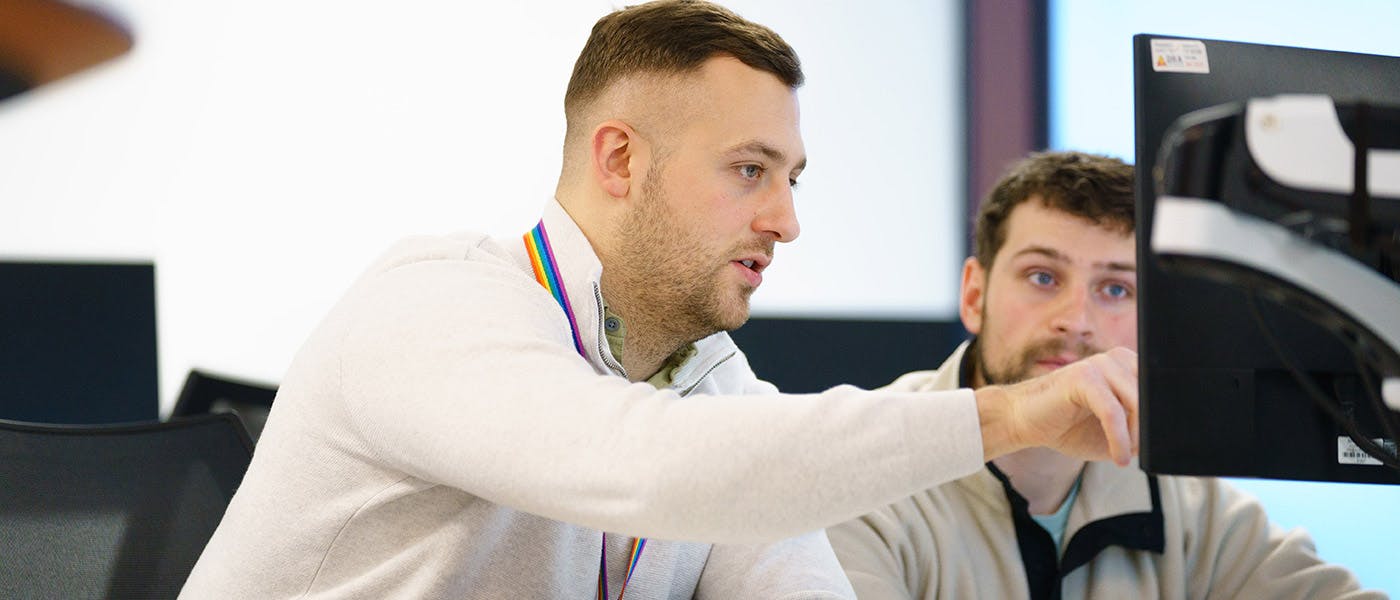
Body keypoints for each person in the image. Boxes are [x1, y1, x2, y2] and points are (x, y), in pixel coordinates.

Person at [180, 4, 1140, 598]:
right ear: (620, 159)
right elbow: (646, 467)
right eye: (750, 170)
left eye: (794, 178)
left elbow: (781, 563)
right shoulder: (432, 305)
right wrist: (1011, 414)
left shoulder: (712, 394)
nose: (786, 220)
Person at [826, 151, 1382, 599]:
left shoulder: (1188, 499)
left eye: (1116, 289)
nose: (1077, 321)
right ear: (975, 295)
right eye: (1042, 277)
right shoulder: (864, 477)